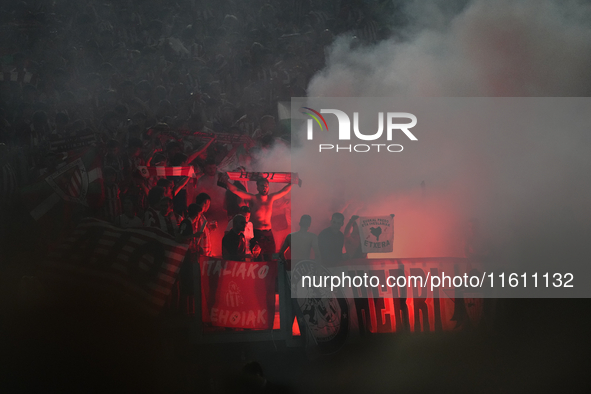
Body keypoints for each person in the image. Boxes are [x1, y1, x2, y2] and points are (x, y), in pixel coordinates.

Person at [223, 177, 293, 260]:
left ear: (268, 187)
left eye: (266, 186)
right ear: (257, 187)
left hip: (269, 233)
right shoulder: (253, 198)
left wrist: (292, 182)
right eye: (262, 185)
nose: (264, 188)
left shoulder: (271, 198)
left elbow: (284, 191)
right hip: (257, 232)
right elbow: (237, 191)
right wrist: (225, 181)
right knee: (258, 258)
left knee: (271, 258)